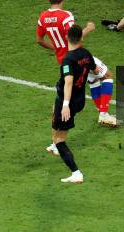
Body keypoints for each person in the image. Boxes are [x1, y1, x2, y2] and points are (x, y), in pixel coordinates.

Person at [36, 0, 117, 134]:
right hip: (77, 56)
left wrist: (56, 48)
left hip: (63, 60)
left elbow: (39, 40)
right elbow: (74, 37)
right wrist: (88, 28)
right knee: (107, 76)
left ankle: (102, 112)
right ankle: (103, 114)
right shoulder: (65, 16)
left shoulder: (42, 18)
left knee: (92, 79)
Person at [51, 25, 95, 184]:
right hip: (80, 100)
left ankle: (76, 173)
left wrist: (65, 105)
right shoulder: (86, 54)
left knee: (60, 140)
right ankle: (54, 144)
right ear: (81, 38)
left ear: (66, 38)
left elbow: (68, 83)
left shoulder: (67, 60)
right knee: (54, 114)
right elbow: (95, 70)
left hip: (68, 101)